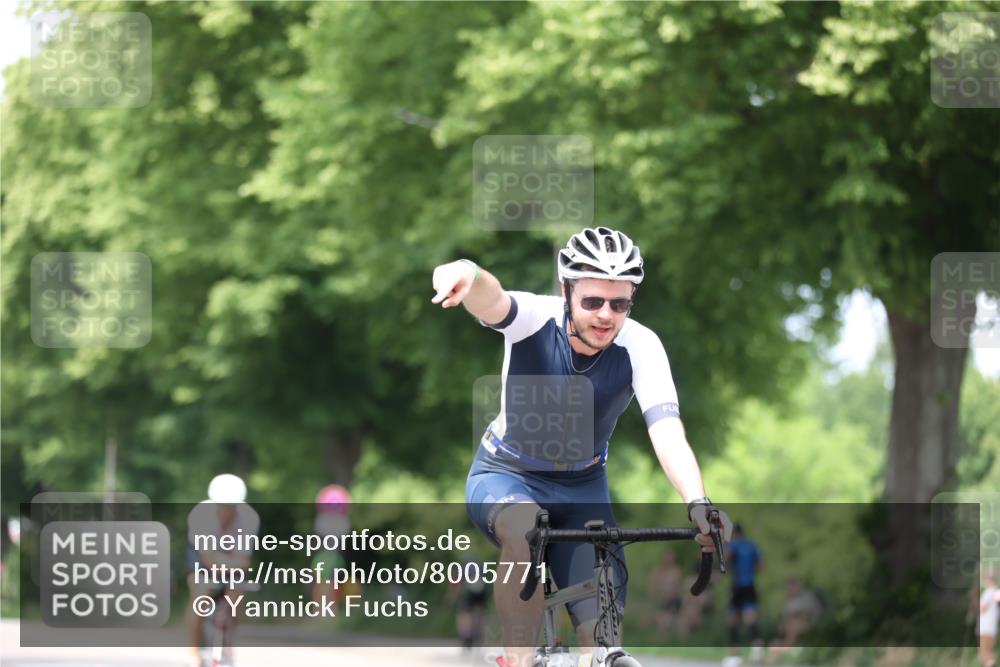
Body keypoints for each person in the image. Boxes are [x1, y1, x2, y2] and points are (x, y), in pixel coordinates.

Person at [431, 227, 733, 667]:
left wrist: (698, 503)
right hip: (507, 474)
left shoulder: (642, 346)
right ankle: (520, 657)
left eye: (620, 303)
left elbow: (667, 432)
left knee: (604, 647)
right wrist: (466, 271)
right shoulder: (534, 318)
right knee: (527, 529)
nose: (606, 315)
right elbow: (491, 297)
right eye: (592, 301)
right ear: (566, 291)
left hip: (582, 487)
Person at [186, 474, 260, 667]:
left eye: (231, 506)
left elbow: (244, 561)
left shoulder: (249, 518)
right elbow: (207, 558)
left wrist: (230, 569)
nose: (227, 511)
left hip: (230, 560)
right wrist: (226, 563)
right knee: (201, 594)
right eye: (222, 505)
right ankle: (194, 650)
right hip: (204, 558)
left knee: (236, 597)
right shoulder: (200, 515)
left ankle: (228, 642)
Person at [310, 484, 356, 609]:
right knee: (325, 583)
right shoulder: (326, 522)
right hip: (327, 560)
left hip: (330, 560)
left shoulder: (333, 522)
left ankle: (326, 609)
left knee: (329, 583)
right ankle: (323, 609)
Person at [723, 524, 762, 666]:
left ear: (734, 533)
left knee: (733, 619)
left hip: (738, 585)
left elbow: (725, 558)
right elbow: (760, 565)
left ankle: (734, 656)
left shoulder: (734, 544)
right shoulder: (752, 545)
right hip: (750, 584)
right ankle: (757, 652)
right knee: (751, 617)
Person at [767, 577, 823, 662]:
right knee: (778, 636)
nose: (789, 591)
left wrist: (796, 615)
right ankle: (771, 659)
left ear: (797, 587)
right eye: (788, 589)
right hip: (791, 624)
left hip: (806, 623)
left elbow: (809, 613)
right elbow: (786, 616)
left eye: (791, 588)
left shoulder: (807, 596)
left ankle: (785, 650)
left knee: (793, 627)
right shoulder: (790, 600)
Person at [650, 549, 684, 636]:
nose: (669, 560)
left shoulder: (677, 571)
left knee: (666, 618)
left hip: (674, 600)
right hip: (661, 599)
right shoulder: (658, 571)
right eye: (667, 558)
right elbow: (653, 588)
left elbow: (679, 588)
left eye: (671, 558)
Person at [980, 569, 1000, 667]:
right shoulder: (997, 592)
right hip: (993, 628)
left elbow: (982, 608)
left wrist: (974, 601)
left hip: (986, 627)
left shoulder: (988, 592)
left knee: (985, 652)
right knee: (990, 651)